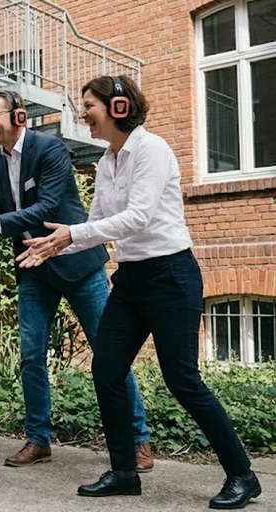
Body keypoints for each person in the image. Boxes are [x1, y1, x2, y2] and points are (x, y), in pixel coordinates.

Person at [16, 75, 261, 509]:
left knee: (182, 379)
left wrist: (73, 234)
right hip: (130, 281)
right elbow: (96, 222)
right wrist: (59, 242)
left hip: (171, 277)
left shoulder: (152, 150)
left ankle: (242, 475)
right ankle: (124, 472)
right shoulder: (107, 161)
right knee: (107, 371)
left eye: (88, 104)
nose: (81, 114)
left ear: (119, 107)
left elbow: (139, 217)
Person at [0, 89, 154, 470]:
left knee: (109, 351)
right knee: (31, 355)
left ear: (19, 117)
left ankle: (137, 440)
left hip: (77, 264)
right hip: (33, 267)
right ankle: (38, 439)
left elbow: (45, 207)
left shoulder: (50, 149)